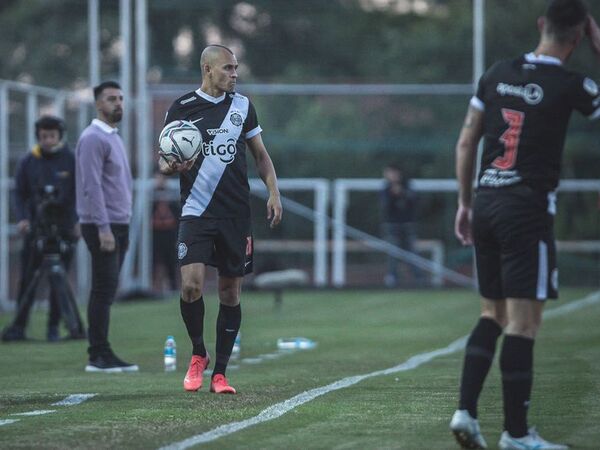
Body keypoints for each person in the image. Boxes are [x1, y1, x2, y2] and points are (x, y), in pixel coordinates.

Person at [450, 1, 600, 449]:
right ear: (579, 36)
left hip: (487, 202)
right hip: (527, 210)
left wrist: (464, 203)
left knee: (491, 314)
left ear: (541, 26)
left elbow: (465, 141)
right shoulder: (572, 84)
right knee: (524, 325)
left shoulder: (497, 72)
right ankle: (517, 435)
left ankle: (465, 412)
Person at [158, 44, 282, 394]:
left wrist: (274, 191)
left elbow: (261, 156)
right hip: (195, 211)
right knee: (191, 285)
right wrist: (171, 167)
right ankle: (199, 353)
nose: (234, 74)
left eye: (236, 68)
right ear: (207, 70)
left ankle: (221, 374)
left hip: (235, 214)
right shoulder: (181, 107)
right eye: (228, 68)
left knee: (230, 292)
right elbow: (163, 161)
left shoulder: (243, 106)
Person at [75, 81, 138, 373]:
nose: (119, 103)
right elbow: (92, 186)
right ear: (98, 104)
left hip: (119, 222)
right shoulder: (92, 138)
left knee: (108, 289)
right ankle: (97, 355)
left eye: (121, 98)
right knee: (103, 289)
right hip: (104, 225)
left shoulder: (113, 136)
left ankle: (102, 351)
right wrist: (102, 228)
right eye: (112, 99)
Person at [2, 116, 80, 342]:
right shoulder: (29, 160)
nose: (47, 140)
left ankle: (54, 328)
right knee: (27, 278)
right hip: (36, 229)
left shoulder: (70, 159)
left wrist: (77, 221)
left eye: (52, 135)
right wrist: (23, 218)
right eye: (43, 136)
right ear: (38, 136)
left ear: (59, 135)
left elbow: (79, 192)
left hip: (64, 230)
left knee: (60, 279)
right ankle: (19, 326)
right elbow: (18, 193)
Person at [380, 163, 420, 287]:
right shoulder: (385, 189)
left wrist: (402, 193)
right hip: (392, 226)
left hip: (407, 225)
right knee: (393, 253)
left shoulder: (407, 186)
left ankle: (419, 279)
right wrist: (393, 195)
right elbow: (385, 207)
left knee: (412, 253)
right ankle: (392, 278)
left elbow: (414, 202)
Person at [152, 172, 180, 294]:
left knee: (170, 260)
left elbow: (177, 215)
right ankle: (155, 288)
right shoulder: (151, 195)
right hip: (156, 234)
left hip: (169, 234)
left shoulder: (172, 195)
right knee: (155, 261)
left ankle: (173, 287)